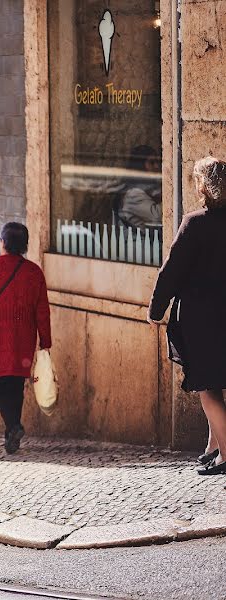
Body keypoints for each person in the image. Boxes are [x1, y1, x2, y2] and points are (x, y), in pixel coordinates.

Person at [149, 156, 226, 475]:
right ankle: (214, 445)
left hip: (203, 318)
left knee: (208, 387)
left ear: (202, 187)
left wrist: (156, 308)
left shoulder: (195, 223)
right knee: (219, 380)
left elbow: (172, 271)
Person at [0, 222, 52, 454]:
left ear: (4, 243)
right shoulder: (34, 272)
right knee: (16, 384)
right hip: (25, 339)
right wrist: (45, 341)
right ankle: (11, 435)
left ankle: (14, 426)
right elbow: (42, 310)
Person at [117, 145, 163, 228]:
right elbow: (157, 216)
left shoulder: (150, 188)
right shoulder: (133, 194)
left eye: (157, 162)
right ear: (140, 166)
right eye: (151, 163)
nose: (157, 166)